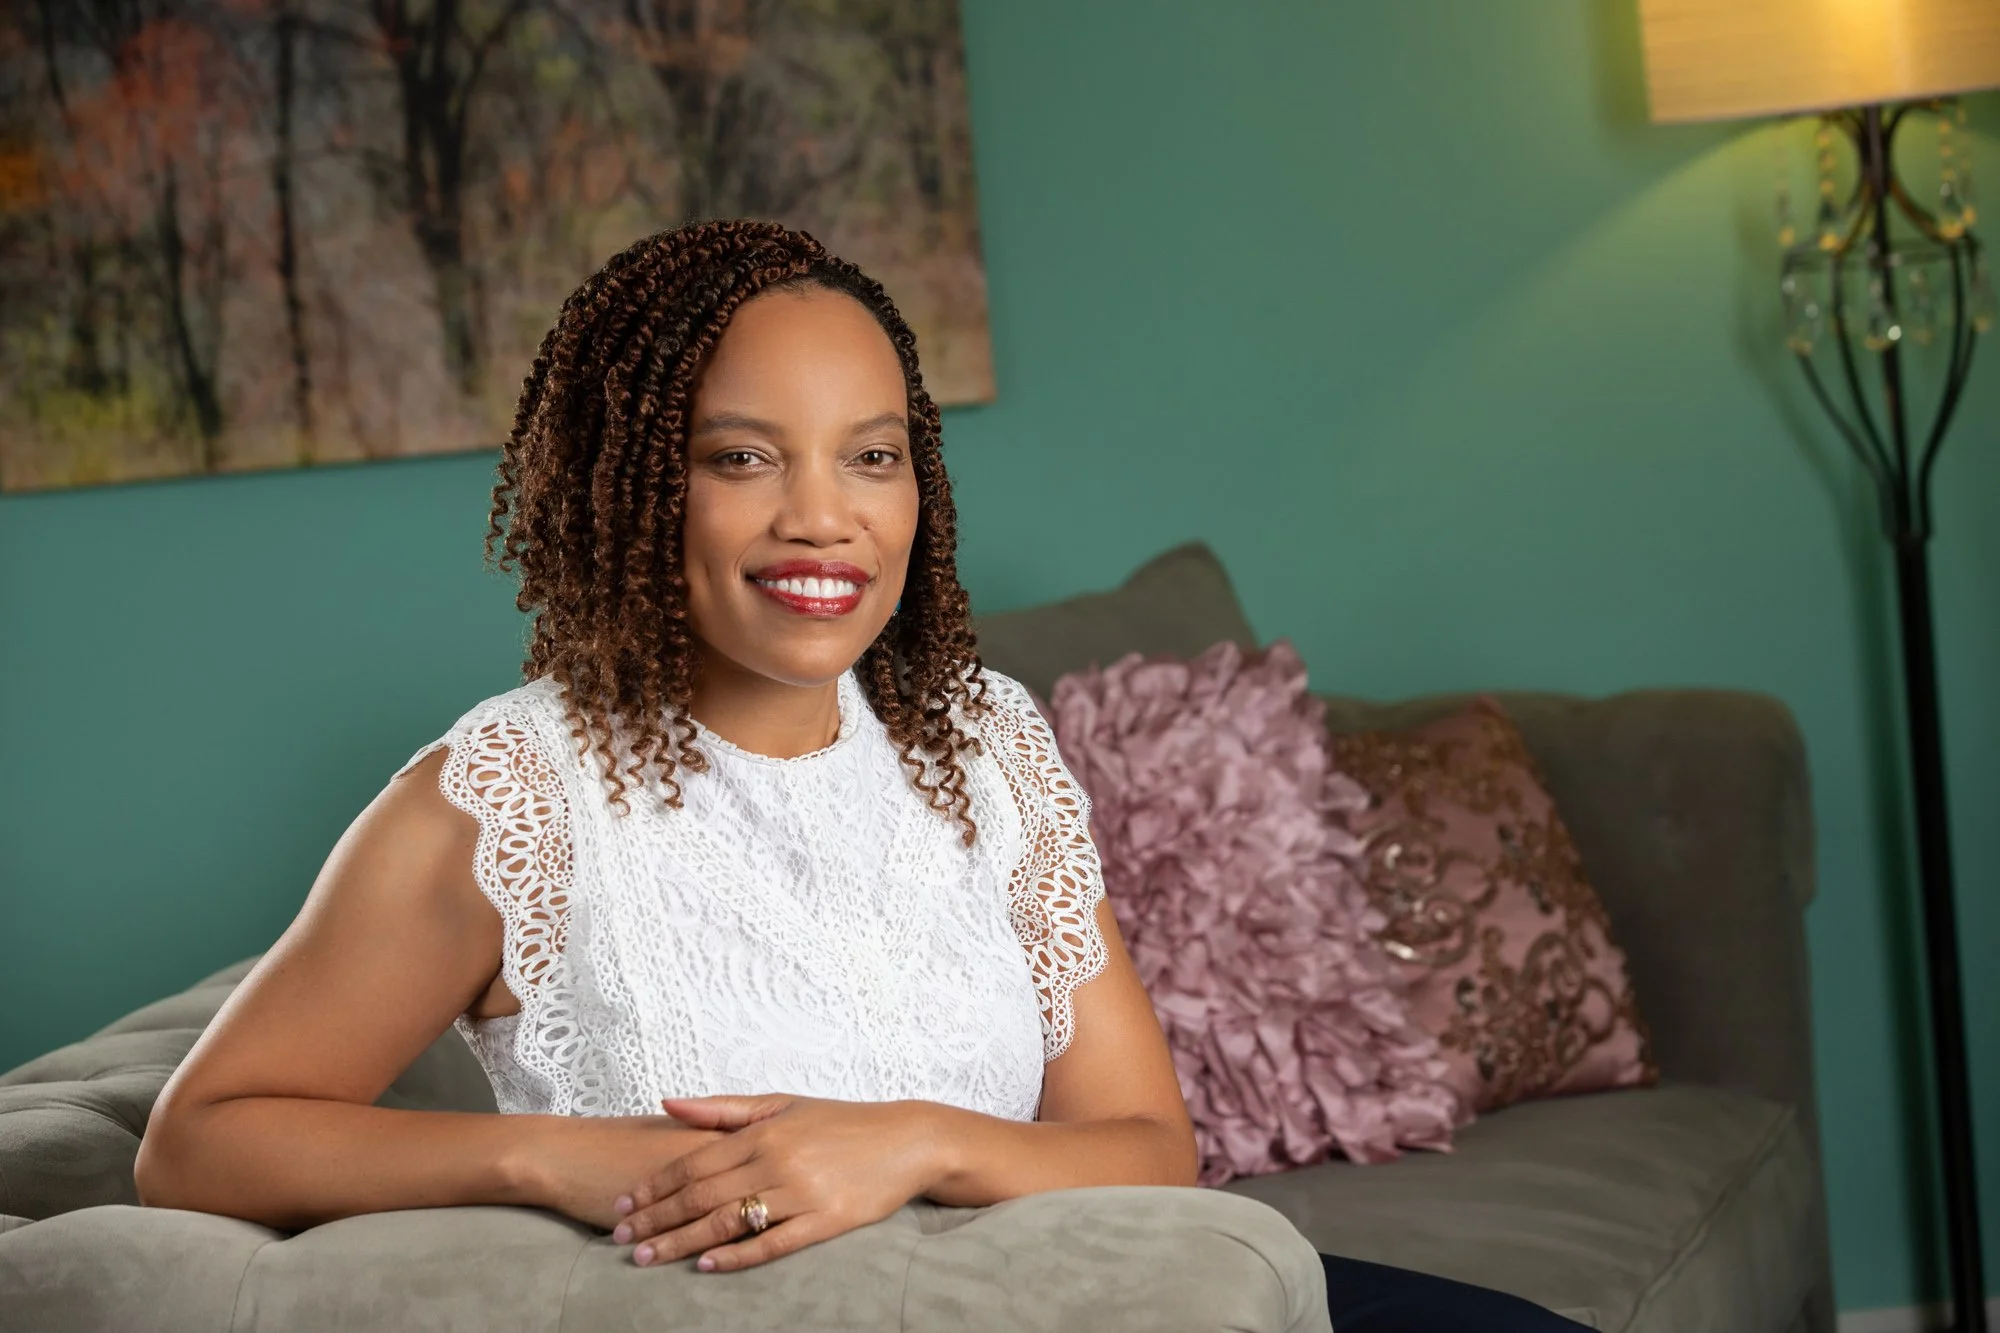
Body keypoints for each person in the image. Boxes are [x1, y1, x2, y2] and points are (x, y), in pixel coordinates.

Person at [135, 219, 1579, 1331]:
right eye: (743, 457)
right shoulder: (505, 795)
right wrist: (562, 1161)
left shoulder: (987, 743)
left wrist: (908, 1147)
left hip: (1112, 1301)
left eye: (871, 457)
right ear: (630, 484)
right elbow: (202, 1145)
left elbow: (1146, 1149)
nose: (823, 519)